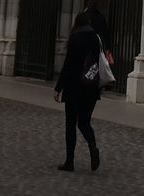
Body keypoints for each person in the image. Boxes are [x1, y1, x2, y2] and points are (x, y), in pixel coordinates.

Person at [53, 10, 101, 172]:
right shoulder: (96, 38)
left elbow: (68, 66)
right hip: (90, 87)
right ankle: (93, 146)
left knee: (70, 124)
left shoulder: (75, 39)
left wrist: (58, 87)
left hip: (74, 88)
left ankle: (70, 161)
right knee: (84, 122)